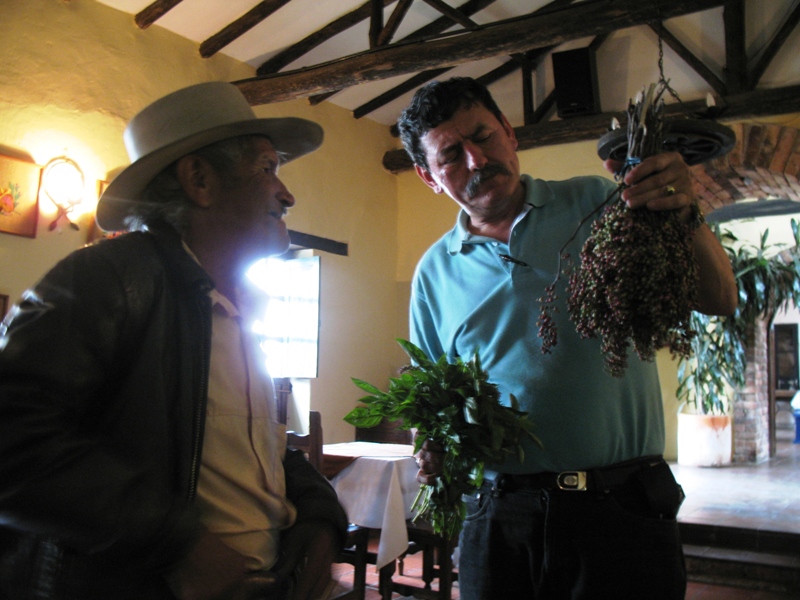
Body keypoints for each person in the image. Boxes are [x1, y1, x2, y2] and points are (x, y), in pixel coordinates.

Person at [0, 81, 347, 600]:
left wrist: (319, 518)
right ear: (200, 179)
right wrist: (176, 545)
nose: (287, 193)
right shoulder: (110, 277)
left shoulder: (234, 308)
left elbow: (262, 453)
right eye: (267, 167)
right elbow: (11, 439)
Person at [398, 77, 737, 599]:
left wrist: (683, 207)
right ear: (426, 176)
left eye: (484, 136)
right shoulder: (432, 274)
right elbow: (429, 400)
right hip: (499, 517)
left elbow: (718, 298)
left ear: (510, 134)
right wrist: (432, 448)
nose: (476, 159)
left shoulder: (602, 202)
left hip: (621, 509)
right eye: (450, 154)